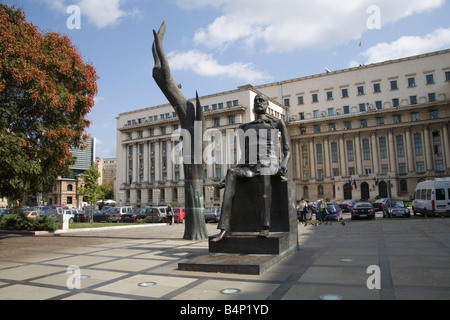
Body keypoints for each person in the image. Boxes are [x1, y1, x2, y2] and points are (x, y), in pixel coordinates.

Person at [212, 94, 291, 242]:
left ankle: (265, 226)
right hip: (250, 166)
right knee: (231, 173)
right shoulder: (244, 127)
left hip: (270, 165)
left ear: (267, 105)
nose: (258, 103)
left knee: (265, 172)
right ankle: (224, 228)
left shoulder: (277, 123)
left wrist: (283, 165)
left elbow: (287, 150)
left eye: (261, 101)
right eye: (256, 101)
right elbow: (243, 156)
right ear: (253, 107)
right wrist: (228, 177)